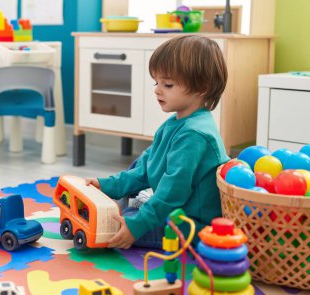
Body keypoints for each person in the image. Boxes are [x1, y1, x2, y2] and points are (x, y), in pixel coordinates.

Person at [86, 35, 230, 249]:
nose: (157, 90)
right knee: (140, 165)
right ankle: (125, 204)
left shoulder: (194, 134)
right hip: (176, 209)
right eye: (157, 82)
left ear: (202, 88)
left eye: (168, 84)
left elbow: (173, 192)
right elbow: (147, 167)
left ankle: (128, 212)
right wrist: (108, 185)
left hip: (191, 227)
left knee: (106, 229)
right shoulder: (177, 122)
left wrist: (137, 225)